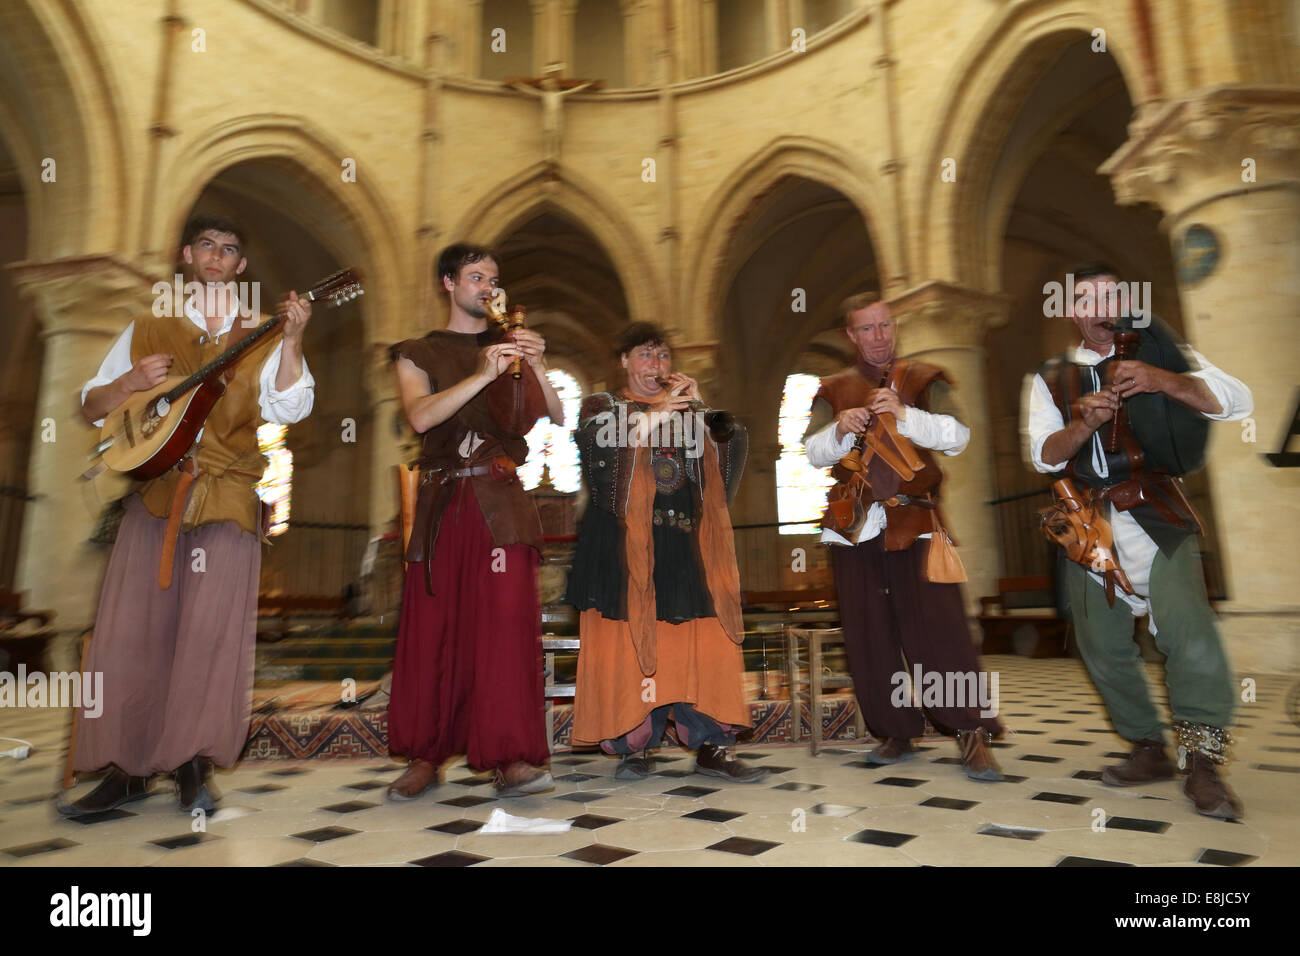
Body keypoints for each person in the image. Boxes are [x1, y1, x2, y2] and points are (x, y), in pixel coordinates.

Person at [62, 214, 315, 816]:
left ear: (240, 266)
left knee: (209, 638)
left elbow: (291, 407)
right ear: (187, 254)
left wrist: (294, 339)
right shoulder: (149, 326)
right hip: (156, 497)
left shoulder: (262, 333)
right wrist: (129, 380)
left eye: (229, 249)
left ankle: (191, 767)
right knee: (132, 636)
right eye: (207, 245)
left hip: (226, 500)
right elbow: (91, 406)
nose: (217, 256)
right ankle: (126, 770)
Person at [1024, 263, 1253, 818]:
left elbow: (1237, 401)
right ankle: (1147, 746)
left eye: (1111, 297)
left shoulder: (1165, 352)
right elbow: (1044, 456)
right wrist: (1082, 424)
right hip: (1089, 526)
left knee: (1189, 632)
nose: (1100, 308)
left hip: (1158, 513)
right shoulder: (1051, 376)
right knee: (1101, 645)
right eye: (1086, 299)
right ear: (1071, 310)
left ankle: (1203, 764)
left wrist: (1161, 379)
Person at [385, 243, 564, 800]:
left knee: (506, 630)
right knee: (434, 632)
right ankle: (426, 754)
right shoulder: (416, 352)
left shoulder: (511, 347)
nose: (487, 287)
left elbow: (556, 415)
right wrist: (484, 374)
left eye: (493, 279)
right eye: (475, 276)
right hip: (443, 505)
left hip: (501, 503)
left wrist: (534, 363)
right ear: (448, 282)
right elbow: (421, 417)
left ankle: (509, 757)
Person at [804, 293, 1005, 781]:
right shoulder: (833, 388)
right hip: (854, 528)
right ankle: (895, 732)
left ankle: (970, 731)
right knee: (869, 634)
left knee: (941, 630)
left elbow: (958, 437)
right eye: (866, 328)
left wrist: (905, 413)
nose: (878, 336)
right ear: (851, 335)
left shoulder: (924, 377)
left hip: (916, 523)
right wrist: (840, 428)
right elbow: (812, 453)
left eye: (884, 326)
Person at [565, 323, 766, 783]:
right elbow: (598, 452)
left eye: (662, 356)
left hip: (684, 545)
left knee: (701, 642)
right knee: (631, 647)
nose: (655, 365)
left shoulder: (687, 410)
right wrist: (657, 414)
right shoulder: (602, 406)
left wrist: (702, 409)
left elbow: (728, 453)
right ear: (624, 361)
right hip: (622, 549)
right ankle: (635, 746)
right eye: (645, 354)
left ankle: (711, 744)